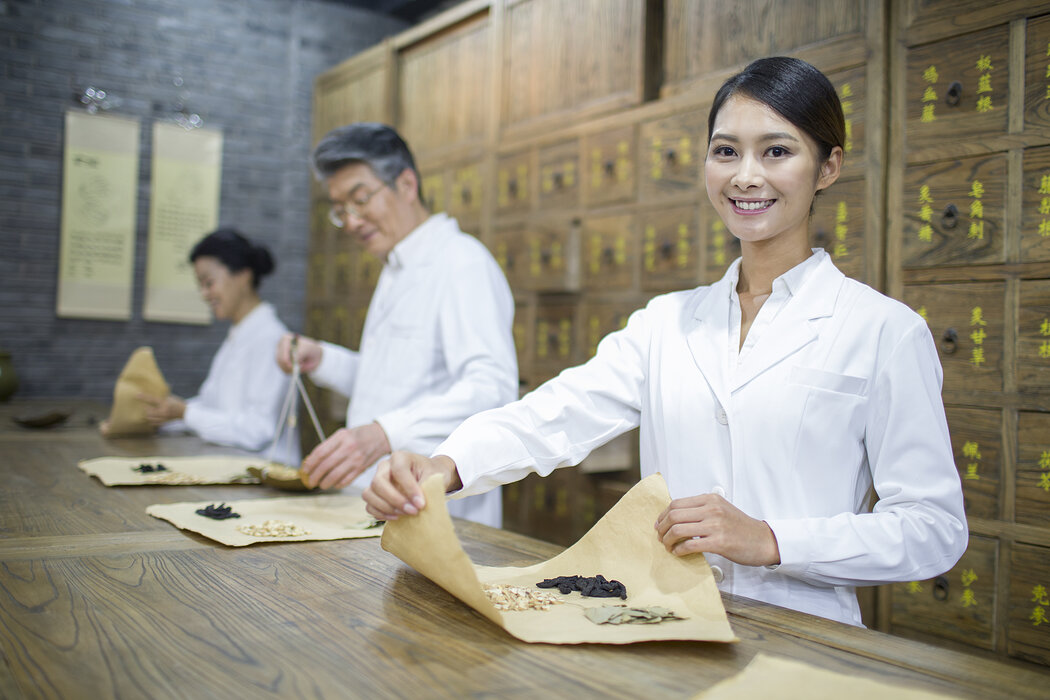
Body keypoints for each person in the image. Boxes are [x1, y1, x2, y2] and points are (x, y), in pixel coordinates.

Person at [360, 57, 968, 626]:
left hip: (804, 631)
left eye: (777, 151)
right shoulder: (666, 323)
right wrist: (446, 465)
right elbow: (555, 414)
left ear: (828, 167)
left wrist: (772, 539)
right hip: (663, 619)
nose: (746, 175)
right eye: (725, 151)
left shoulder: (884, 330)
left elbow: (932, 528)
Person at [277, 123, 517, 528]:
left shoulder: (461, 262)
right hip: (379, 506)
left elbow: (492, 388)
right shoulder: (395, 267)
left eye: (360, 199)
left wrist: (385, 433)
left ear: (406, 184)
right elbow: (393, 383)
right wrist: (322, 360)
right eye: (340, 210)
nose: (351, 221)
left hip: (438, 513)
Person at [141, 228, 299, 466]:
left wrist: (185, 413)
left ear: (244, 276)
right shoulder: (238, 335)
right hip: (232, 467)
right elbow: (209, 405)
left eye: (209, 282)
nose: (204, 294)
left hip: (264, 474)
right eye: (200, 285)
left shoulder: (271, 339)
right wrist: (165, 415)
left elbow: (257, 431)